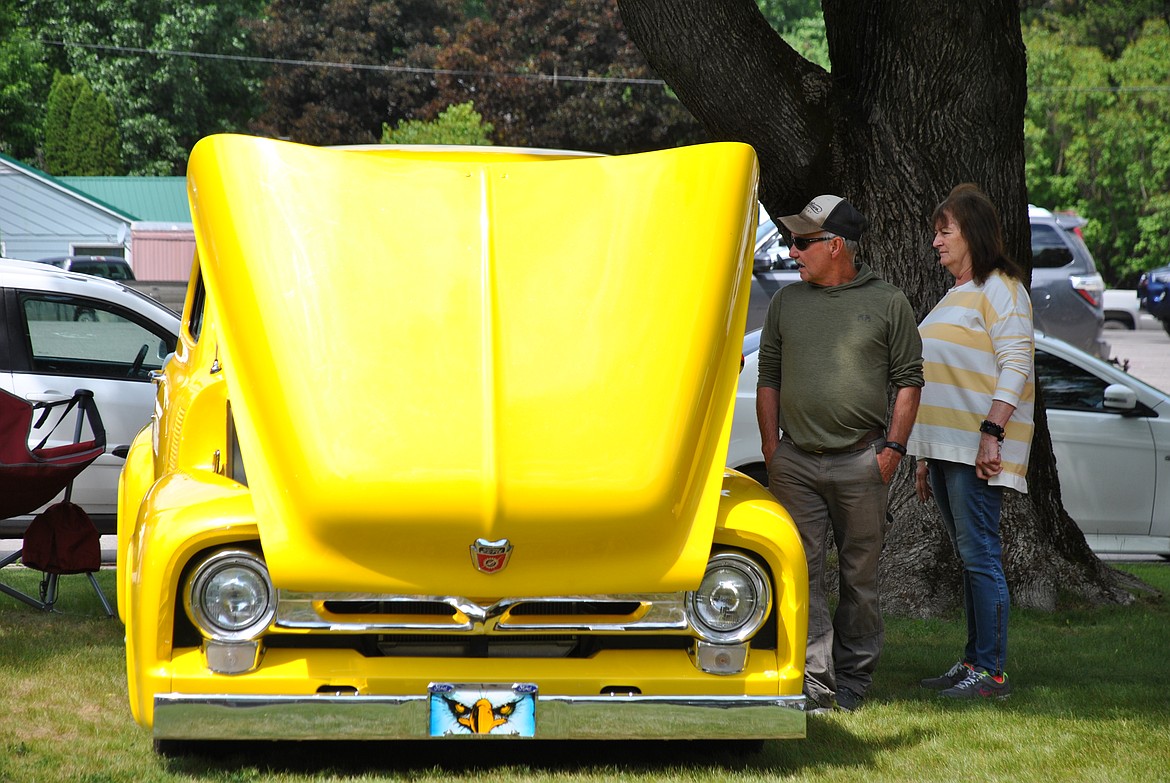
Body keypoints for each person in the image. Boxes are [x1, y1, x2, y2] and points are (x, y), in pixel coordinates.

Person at [756, 194, 923, 713]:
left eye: (803, 242)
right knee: (800, 570)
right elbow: (769, 379)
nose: (792, 249)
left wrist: (893, 449)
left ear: (835, 246)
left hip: (862, 460)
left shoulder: (889, 302)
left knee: (859, 577)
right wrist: (771, 449)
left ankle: (854, 678)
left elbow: (908, 381)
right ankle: (815, 678)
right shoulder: (786, 302)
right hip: (796, 463)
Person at [908, 183, 1035, 700]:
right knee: (969, 557)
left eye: (945, 232)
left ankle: (992, 674)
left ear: (972, 234)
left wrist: (991, 433)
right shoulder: (956, 294)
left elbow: (1016, 364)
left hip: (976, 448)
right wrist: (922, 453)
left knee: (981, 556)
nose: (935, 242)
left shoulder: (1001, 288)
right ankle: (972, 663)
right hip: (945, 450)